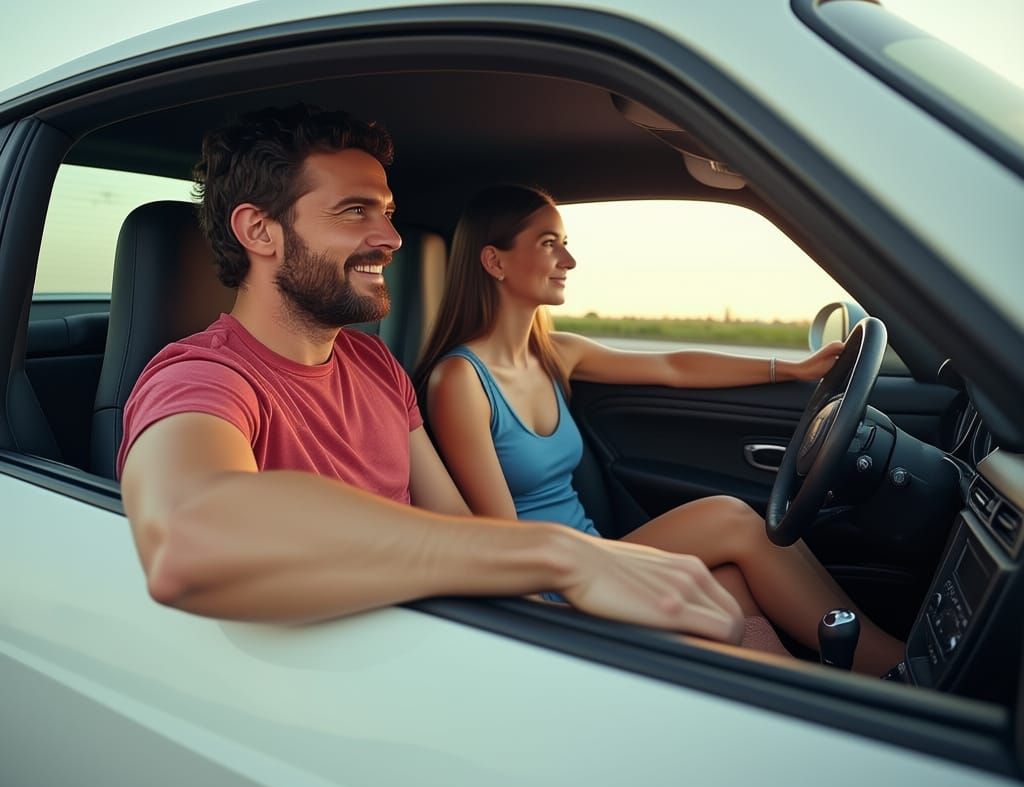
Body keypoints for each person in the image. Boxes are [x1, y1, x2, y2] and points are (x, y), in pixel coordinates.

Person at [118, 104, 744, 644]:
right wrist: (559, 556)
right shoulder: (202, 378)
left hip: (454, 627)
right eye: (355, 212)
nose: (390, 237)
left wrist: (546, 607)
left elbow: (458, 529)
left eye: (387, 212)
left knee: (731, 602)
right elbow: (188, 540)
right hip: (370, 664)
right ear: (260, 231)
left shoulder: (374, 364)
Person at [416, 184, 905, 675]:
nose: (569, 260)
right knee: (731, 519)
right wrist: (554, 626)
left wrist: (791, 369)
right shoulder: (460, 381)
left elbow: (673, 367)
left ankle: (821, 697)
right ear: (494, 262)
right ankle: (889, 667)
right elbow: (503, 545)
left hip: (592, 551)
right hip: (548, 582)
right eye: (549, 243)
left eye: (565, 242)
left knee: (730, 581)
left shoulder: (554, 353)